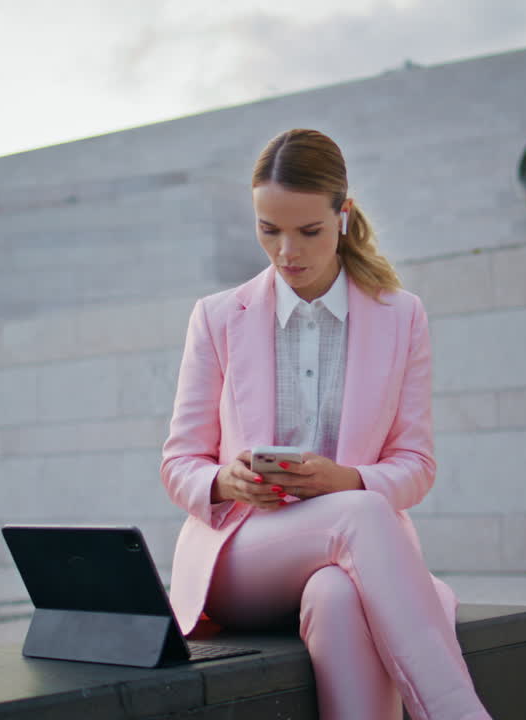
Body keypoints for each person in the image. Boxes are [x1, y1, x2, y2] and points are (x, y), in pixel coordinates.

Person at [160, 128, 492, 720]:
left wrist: (345, 480)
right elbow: (179, 463)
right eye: (269, 229)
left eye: (308, 230)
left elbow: (416, 465)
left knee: (337, 597)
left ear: (344, 214)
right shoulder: (216, 318)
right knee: (361, 516)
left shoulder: (400, 316)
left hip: (350, 556)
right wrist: (225, 483)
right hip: (242, 553)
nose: (287, 251)